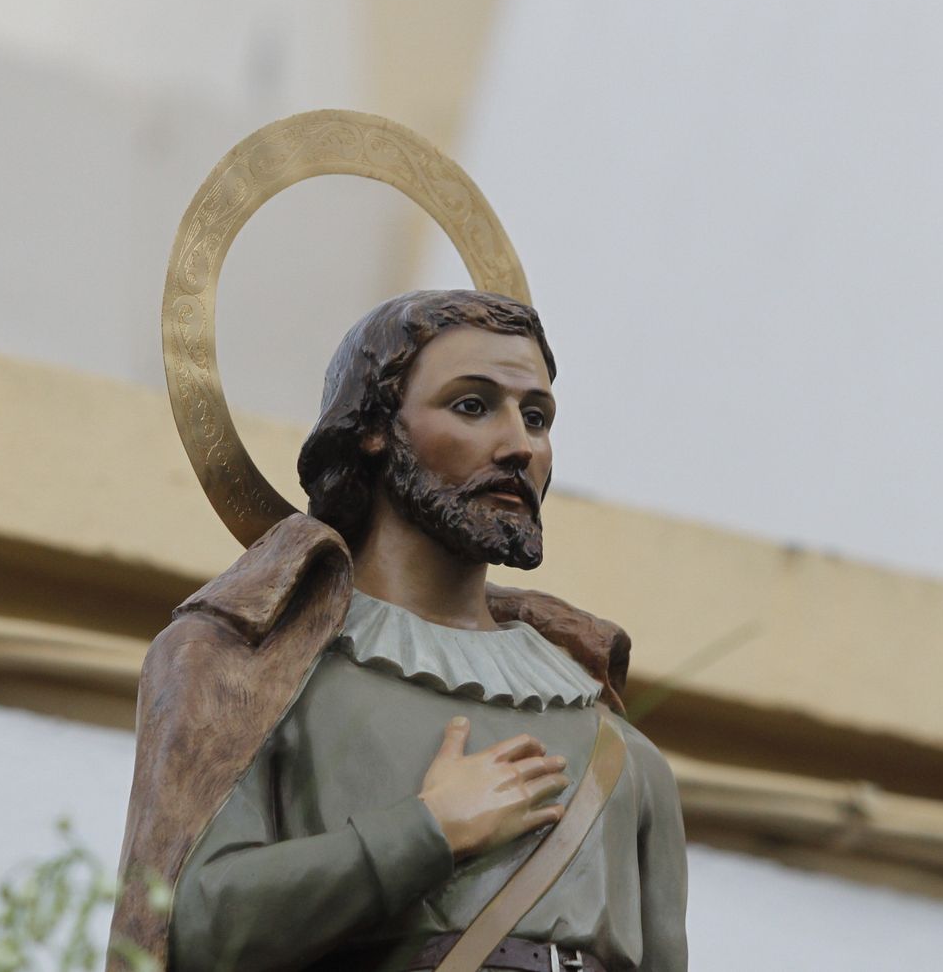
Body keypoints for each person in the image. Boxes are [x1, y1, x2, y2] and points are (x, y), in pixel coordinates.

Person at [110, 290, 687, 972]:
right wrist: (427, 830)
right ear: (374, 427)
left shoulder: (622, 750)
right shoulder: (250, 668)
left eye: (536, 416)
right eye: (473, 405)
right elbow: (185, 928)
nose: (519, 446)